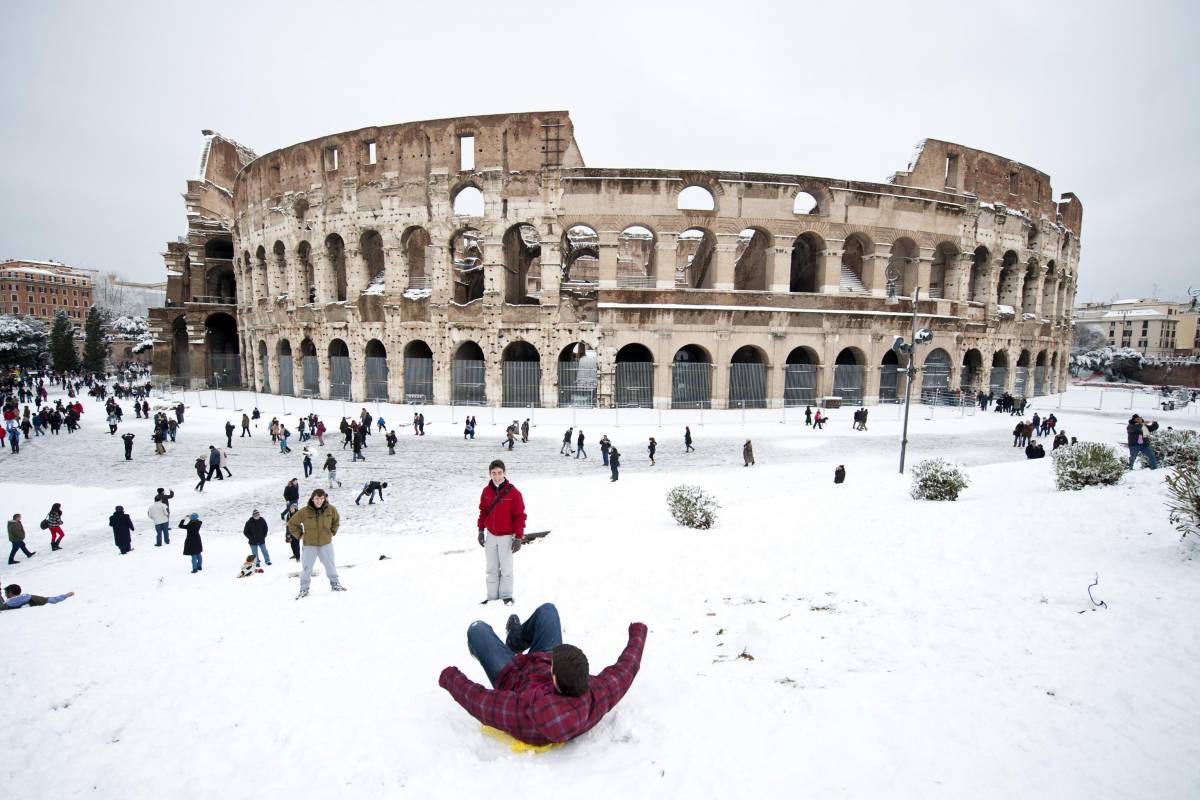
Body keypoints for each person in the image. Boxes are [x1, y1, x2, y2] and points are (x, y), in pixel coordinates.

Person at [439, 602, 647, 746]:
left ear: (554, 677)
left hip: (511, 674)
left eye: (553, 665)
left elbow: (481, 702)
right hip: (541, 659)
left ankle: (505, 648)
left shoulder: (527, 711)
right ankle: (515, 638)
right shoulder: (595, 693)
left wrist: (451, 678)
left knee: (477, 629)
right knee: (548, 611)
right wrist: (638, 632)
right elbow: (626, 668)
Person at [476, 459, 526, 606]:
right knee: (491, 568)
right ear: (490, 474)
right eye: (493, 473)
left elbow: (520, 516)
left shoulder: (514, 493)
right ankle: (492, 597)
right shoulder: (486, 492)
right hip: (491, 536)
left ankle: (506, 596)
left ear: (505, 473)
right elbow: (483, 512)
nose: (497, 476)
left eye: (499, 473)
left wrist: (518, 537)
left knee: (506, 569)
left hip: (506, 537)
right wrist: (480, 530)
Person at [287, 489, 345, 598]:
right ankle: (304, 589)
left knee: (330, 565)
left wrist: (332, 531)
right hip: (309, 545)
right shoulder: (304, 511)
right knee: (306, 568)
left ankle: (335, 584)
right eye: (317, 499)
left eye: (321, 498)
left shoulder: (331, 509)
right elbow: (291, 523)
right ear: (312, 498)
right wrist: (300, 535)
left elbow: (336, 521)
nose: (319, 501)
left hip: (326, 543)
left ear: (324, 499)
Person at [2, 584, 74, 610]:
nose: (5, 595)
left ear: (10, 593)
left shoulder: (6, 606)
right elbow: (52, 600)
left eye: (5, 593)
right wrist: (66, 595)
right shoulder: (30, 598)